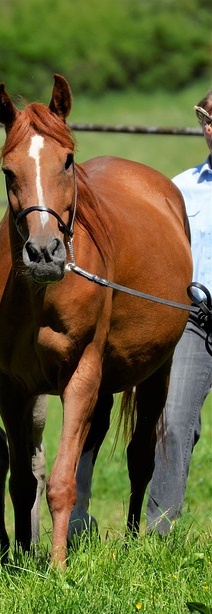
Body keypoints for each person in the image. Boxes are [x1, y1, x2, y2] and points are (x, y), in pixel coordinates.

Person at [146, 90, 212, 534]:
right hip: (195, 317)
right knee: (174, 424)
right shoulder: (180, 188)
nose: (210, 127)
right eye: (205, 119)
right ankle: (159, 534)